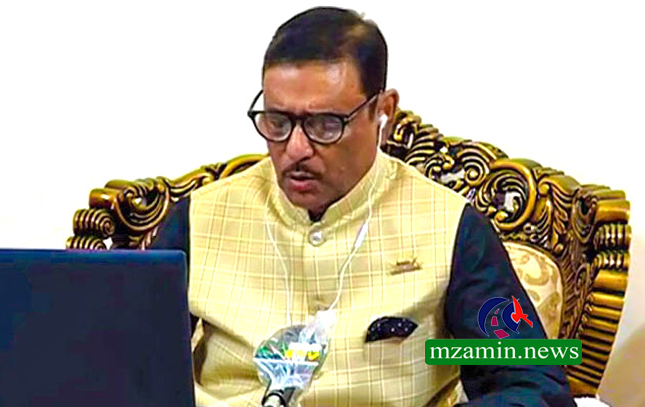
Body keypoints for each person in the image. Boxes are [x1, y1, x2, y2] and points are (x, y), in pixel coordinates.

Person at [151, 6, 576, 407]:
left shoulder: (449, 228)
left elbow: (532, 384)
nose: (295, 149)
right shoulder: (199, 218)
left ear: (382, 111)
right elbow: (133, 363)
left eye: (325, 125)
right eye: (277, 122)